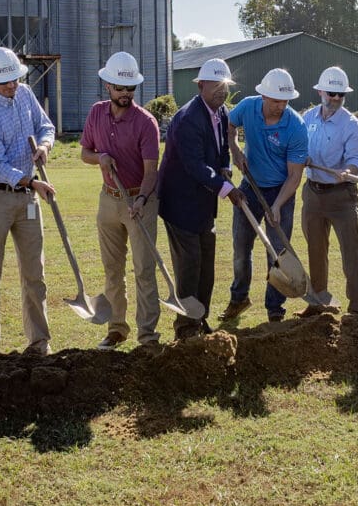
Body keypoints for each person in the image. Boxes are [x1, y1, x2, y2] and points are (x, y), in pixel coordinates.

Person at [0, 46, 56, 358]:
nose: (12, 86)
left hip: (28, 199)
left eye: (16, 79)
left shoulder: (25, 95)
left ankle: (39, 344)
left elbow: (46, 126)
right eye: (5, 82)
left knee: (35, 275)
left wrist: (45, 145)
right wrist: (33, 182)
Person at [79, 52, 161, 349]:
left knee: (143, 269)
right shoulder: (95, 114)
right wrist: (99, 158)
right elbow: (84, 153)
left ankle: (148, 334)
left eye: (130, 89)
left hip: (141, 200)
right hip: (109, 199)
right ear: (107, 86)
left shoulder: (146, 123)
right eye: (119, 88)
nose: (125, 94)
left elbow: (152, 171)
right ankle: (116, 329)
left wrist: (140, 199)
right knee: (113, 269)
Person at [158, 58, 244, 340]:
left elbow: (221, 150)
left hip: (204, 203)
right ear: (201, 85)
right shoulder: (187, 119)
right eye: (216, 85)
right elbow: (194, 165)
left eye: (225, 86)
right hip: (180, 203)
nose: (221, 90)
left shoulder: (223, 113)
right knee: (190, 262)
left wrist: (226, 168)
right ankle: (185, 327)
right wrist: (226, 188)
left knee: (207, 263)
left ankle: (200, 319)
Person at [221, 68, 309, 323]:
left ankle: (275, 308)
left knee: (278, 251)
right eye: (275, 101)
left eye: (284, 101)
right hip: (249, 186)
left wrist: (279, 205)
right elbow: (230, 125)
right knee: (241, 247)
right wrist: (235, 149)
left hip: (281, 190)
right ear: (263, 96)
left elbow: (294, 176)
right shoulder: (247, 107)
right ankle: (239, 298)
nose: (280, 106)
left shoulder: (296, 127)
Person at [300, 66, 358, 316]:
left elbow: (356, 159)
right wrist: (301, 157)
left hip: (342, 196)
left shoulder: (351, 124)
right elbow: (298, 147)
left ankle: (357, 309)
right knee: (315, 251)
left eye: (341, 95)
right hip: (313, 193)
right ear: (320, 92)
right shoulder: (307, 119)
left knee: (351, 255)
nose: (336, 99)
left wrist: (348, 170)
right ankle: (319, 303)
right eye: (331, 93)